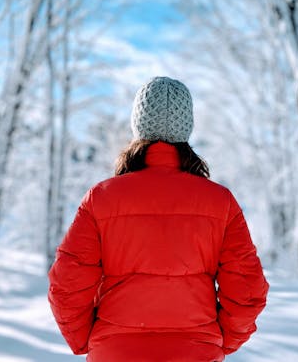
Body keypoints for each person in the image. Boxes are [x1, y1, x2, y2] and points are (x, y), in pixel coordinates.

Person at [48, 76, 269, 362]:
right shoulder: (220, 201)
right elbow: (247, 289)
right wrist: (220, 341)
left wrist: (86, 340)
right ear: (185, 127)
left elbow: (67, 282)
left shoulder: (101, 198)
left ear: (138, 126)